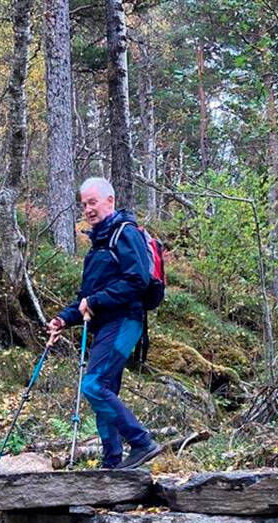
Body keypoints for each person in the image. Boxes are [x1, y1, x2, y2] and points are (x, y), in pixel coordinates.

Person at [47, 177, 162, 470]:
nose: (87, 209)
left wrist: (95, 302)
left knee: (94, 385)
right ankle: (113, 465)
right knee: (104, 390)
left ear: (109, 201)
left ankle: (141, 442)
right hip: (106, 325)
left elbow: (137, 281)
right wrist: (63, 318)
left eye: (92, 202)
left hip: (125, 321)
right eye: (84, 204)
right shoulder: (98, 246)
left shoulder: (125, 233)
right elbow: (86, 298)